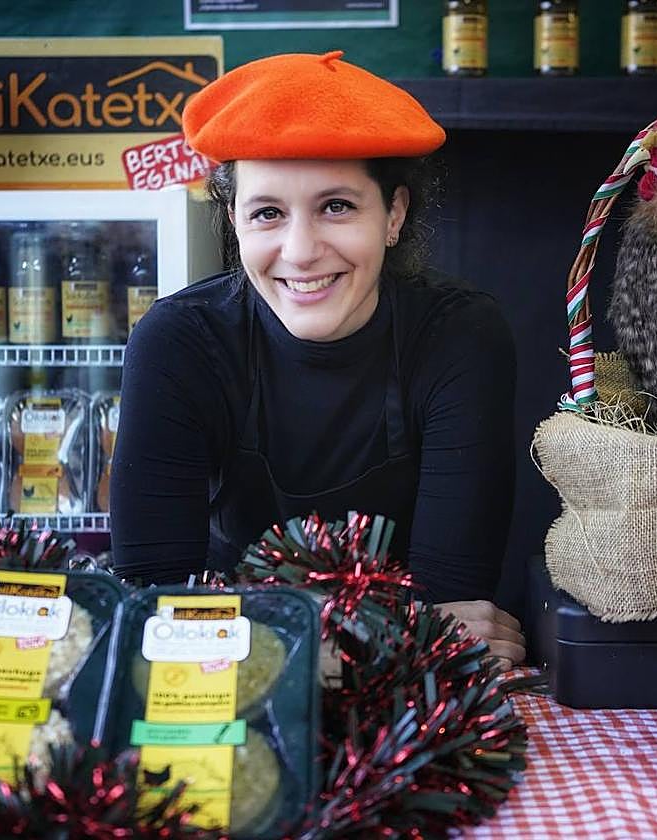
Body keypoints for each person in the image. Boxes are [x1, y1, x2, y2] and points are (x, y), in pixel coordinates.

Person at [110, 51, 525, 668]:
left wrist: (247, 629)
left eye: (336, 206)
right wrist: (378, 635)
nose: (300, 251)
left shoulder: (461, 337)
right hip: (220, 688)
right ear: (234, 221)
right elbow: (149, 604)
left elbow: (454, 608)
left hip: (402, 712)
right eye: (267, 213)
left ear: (394, 214)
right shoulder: (177, 343)